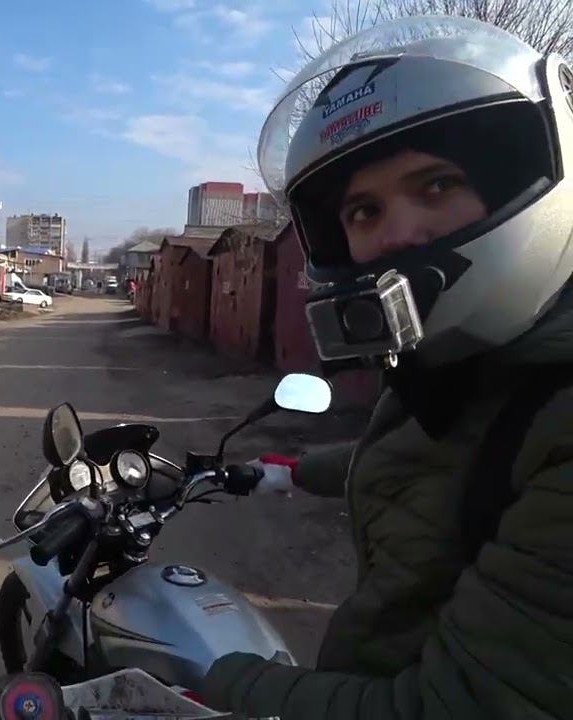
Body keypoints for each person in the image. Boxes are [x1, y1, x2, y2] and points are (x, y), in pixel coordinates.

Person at [200, 16, 573, 719]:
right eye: (364, 211)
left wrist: (205, 676)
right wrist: (293, 472)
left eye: (435, 185)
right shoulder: (476, 362)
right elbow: (451, 451)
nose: (398, 235)